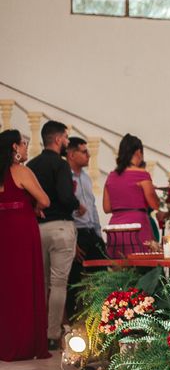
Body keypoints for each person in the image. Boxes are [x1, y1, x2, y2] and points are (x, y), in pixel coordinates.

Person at [27, 121, 82, 350]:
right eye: (66, 137)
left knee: (42, 283)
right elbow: (66, 197)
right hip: (60, 227)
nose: (68, 142)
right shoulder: (60, 165)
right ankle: (52, 334)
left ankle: (37, 332)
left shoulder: (32, 165)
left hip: (37, 227)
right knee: (59, 283)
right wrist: (77, 204)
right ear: (58, 139)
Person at [0, 130, 51, 361]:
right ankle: (26, 344)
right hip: (21, 231)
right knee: (24, 284)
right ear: (14, 148)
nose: (26, 148)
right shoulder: (20, 171)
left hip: (3, 231)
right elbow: (45, 200)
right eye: (23, 144)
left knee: (6, 287)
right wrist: (35, 207)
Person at [66, 137, 106, 318]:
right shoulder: (64, 177)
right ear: (72, 154)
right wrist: (72, 241)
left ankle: (101, 320)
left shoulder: (86, 178)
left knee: (102, 279)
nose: (89, 155)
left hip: (92, 234)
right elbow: (64, 210)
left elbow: (93, 208)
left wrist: (98, 234)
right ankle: (74, 325)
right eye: (84, 151)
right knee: (75, 282)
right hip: (77, 235)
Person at [103, 134, 160, 256]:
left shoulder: (111, 176)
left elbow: (106, 208)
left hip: (115, 230)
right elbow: (154, 204)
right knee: (142, 270)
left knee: (119, 273)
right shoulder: (142, 175)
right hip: (138, 228)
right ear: (138, 152)